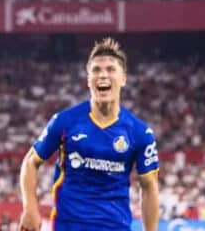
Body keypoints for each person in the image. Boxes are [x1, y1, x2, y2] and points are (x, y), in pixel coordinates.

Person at [18, 38, 160, 231]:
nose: (103, 75)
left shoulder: (139, 132)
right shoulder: (65, 121)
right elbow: (30, 163)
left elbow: (149, 186)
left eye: (111, 69)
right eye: (96, 70)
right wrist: (30, 208)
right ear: (88, 80)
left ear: (124, 78)